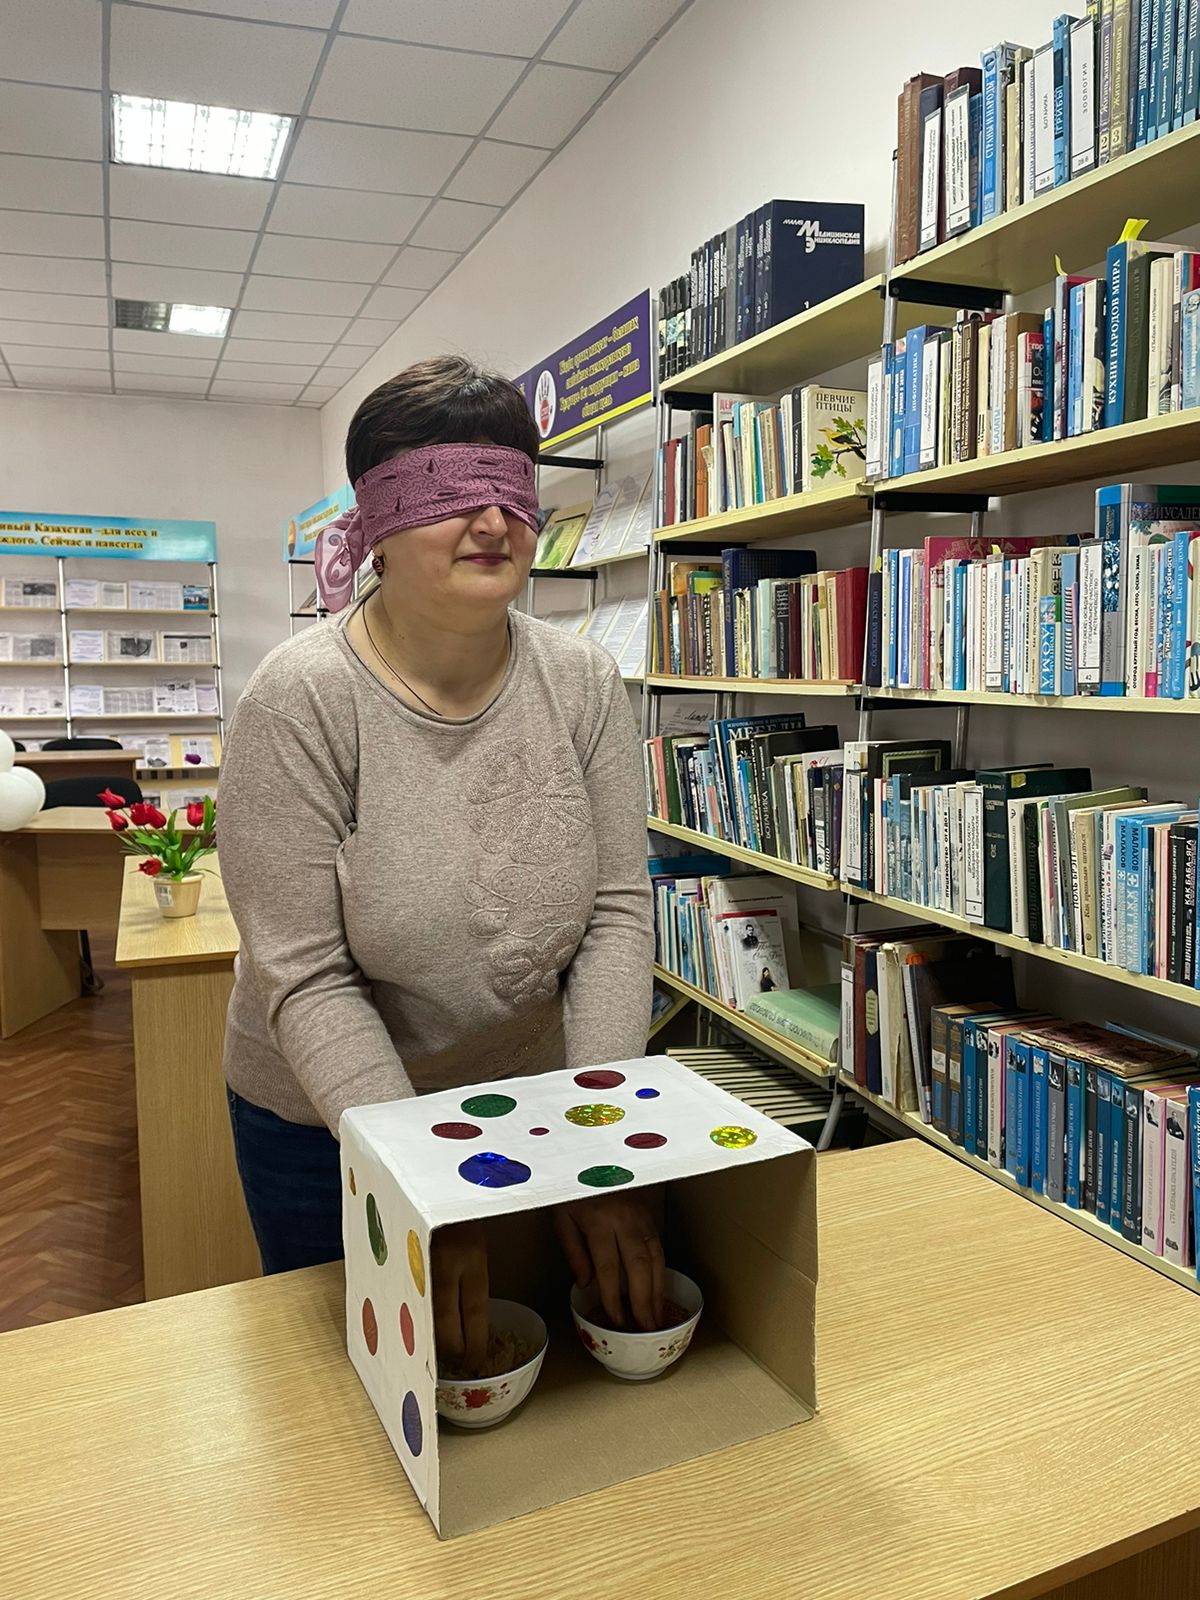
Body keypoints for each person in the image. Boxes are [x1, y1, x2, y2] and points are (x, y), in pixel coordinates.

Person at [219, 356, 661, 1367]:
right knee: (363, 1387)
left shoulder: (584, 682)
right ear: (376, 521)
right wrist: (419, 1183)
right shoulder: (298, 702)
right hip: (325, 1122)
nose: (493, 520)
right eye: (450, 490)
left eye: (512, 487)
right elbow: (306, 972)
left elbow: (615, 914)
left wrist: (602, 1138)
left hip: (532, 1105)